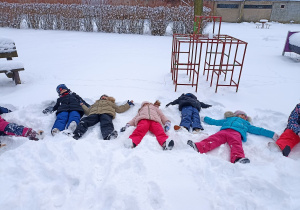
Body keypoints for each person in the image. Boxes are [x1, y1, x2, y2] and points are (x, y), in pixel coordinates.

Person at [187, 110, 279, 164]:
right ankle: (198, 147)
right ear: (236, 115)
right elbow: (215, 122)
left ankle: (238, 158)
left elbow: (259, 130)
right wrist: (205, 119)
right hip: (224, 131)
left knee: (236, 145)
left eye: (244, 116)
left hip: (236, 134)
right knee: (213, 139)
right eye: (241, 114)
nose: (243, 116)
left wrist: (272, 134)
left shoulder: (246, 124)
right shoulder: (228, 119)